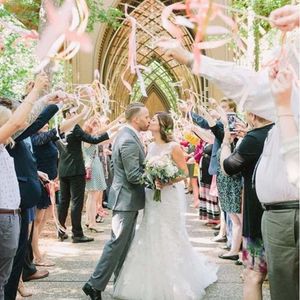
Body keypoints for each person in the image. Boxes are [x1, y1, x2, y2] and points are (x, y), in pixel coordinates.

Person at [163, 10, 299, 298]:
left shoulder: (290, 101)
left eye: (277, 61)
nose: (270, 69)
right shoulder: (283, 101)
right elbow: (247, 82)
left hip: (291, 218)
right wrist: (191, 59)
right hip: (277, 218)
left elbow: (246, 82)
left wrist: (192, 59)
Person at [113, 112, 217, 300]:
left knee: (169, 233)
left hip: (168, 197)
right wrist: (153, 178)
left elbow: (185, 172)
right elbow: (146, 169)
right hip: (153, 195)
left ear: (162, 126)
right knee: (150, 231)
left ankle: (174, 282)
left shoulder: (174, 147)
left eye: (153, 119)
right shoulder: (150, 145)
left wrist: (166, 180)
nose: (150, 120)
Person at [82, 102, 150, 300]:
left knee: (124, 244)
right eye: (146, 117)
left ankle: (120, 282)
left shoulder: (128, 135)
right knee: (116, 243)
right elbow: (133, 175)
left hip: (128, 199)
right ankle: (93, 284)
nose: (148, 120)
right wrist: (158, 181)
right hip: (125, 199)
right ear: (136, 119)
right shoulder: (128, 139)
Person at [0, 86, 48, 300]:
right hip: (3, 215)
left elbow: (21, 121)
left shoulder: (5, 145)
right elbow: (19, 121)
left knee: (4, 274)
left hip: (11, 213)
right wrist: (37, 90)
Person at [220, 112, 273, 300]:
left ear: (251, 114)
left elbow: (227, 168)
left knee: (253, 275)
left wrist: (227, 141)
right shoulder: (278, 133)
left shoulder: (254, 138)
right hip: (281, 217)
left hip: (257, 216)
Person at [57, 107, 119, 243]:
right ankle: (77, 234)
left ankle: (61, 230)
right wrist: (110, 131)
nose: (76, 115)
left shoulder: (59, 128)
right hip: (76, 169)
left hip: (63, 169)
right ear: (67, 114)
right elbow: (93, 139)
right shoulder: (75, 128)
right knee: (76, 202)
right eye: (74, 112)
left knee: (64, 201)